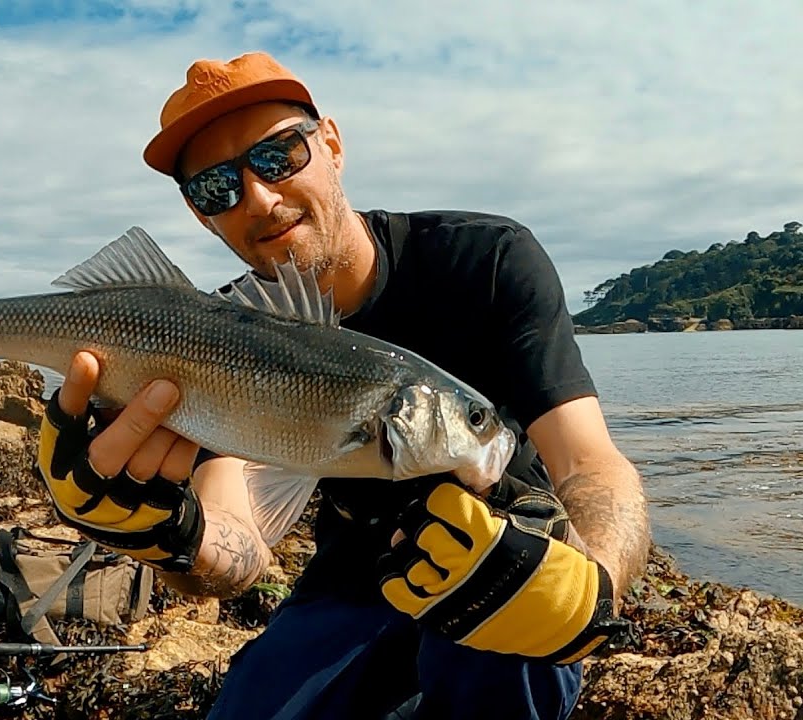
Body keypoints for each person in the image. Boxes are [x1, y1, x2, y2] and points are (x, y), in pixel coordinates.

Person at [35, 51, 652, 719]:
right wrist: (169, 536)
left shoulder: (487, 260)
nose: (261, 198)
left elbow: (591, 463)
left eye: (278, 157)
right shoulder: (213, 333)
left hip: (505, 563)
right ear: (198, 213)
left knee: (497, 643)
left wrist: (591, 590)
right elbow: (235, 544)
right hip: (349, 583)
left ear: (331, 143)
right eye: (218, 188)